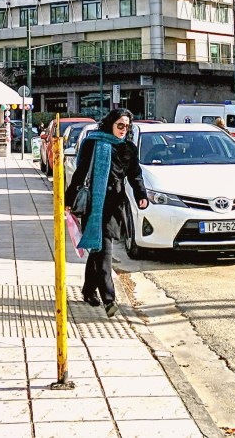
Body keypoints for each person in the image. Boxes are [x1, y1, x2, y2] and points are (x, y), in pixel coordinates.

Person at [64, 108, 148, 318]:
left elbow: (135, 175)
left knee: (97, 250)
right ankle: (109, 299)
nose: (123, 129)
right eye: (120, 125)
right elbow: (81, 173)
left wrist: (141, 195)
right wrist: (68, 199)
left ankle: (88, 290)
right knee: (104, 251)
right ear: (111, 123)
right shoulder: (93, 143)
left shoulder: (128, 148)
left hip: (114, 206)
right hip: (94, 204)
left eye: (127, 126)